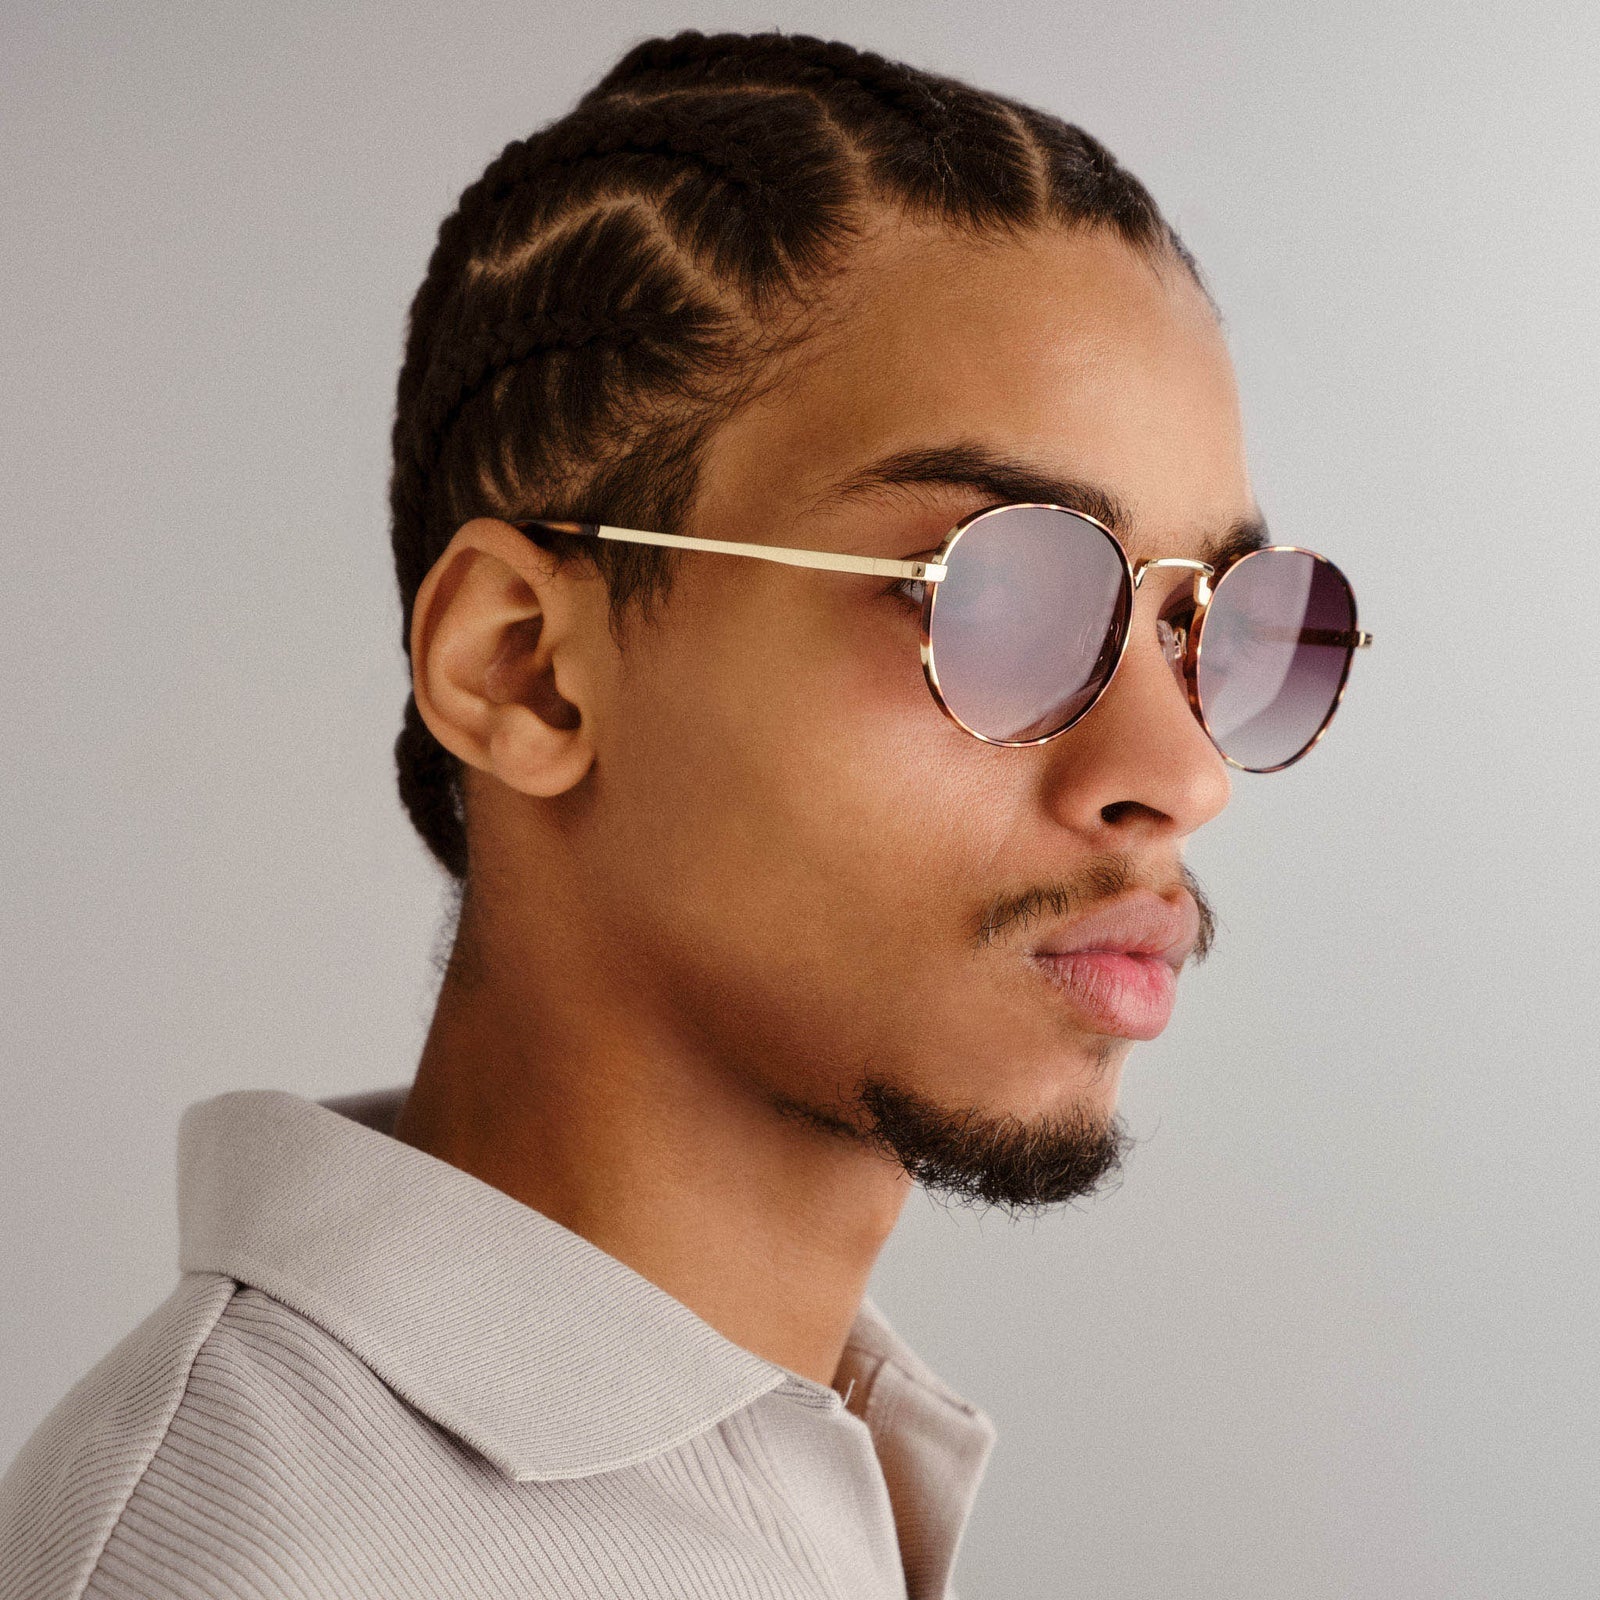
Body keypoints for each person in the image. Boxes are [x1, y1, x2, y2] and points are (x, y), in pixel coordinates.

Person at [0, 28, 1371, 1600]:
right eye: (997, 594)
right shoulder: (266, 1564)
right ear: (525, 670)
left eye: (1214, 622)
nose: (1182, 774)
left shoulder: (763, 1470)